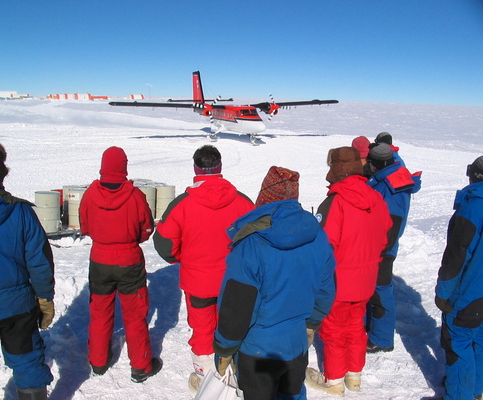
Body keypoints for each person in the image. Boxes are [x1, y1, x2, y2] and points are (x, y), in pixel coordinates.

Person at [213, 166, 336, 400]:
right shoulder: (318, 236)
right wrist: (311, 323)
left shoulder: (251, 246)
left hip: (258, 351)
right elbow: (326, 289)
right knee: (293, 395)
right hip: (296, 344)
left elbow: (238, 307)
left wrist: (225, 348)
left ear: (263, 198)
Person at [153, 145, 254, 392]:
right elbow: (255, 241)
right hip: (235, 281)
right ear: (219, 167)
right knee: (233, 324)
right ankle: (232, 369)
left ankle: (204, 373)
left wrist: (182, 257)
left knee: (202, 326)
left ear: (196, 168)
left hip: (198, 281)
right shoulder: (242, 202)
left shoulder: (182, 204)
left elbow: (164, 243)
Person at [0, 139, 55, 400]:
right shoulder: (21, 212)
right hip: (18, 309)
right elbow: (39, 262)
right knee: (27, 364)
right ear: (0, 173)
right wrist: (45, 299)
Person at [306, 146, 392, 395]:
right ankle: (354, 376)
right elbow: (385, 235)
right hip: (366, 279)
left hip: (338, 281)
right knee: (355, 326)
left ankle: (333, 380)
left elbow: (324, 246)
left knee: (333, 330)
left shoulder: (335, 201)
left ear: (335, 169)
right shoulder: (375, 197)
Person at [79, 146, 161, 383]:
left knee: (100, 312)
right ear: (123, 167)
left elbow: (84, 227)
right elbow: (146, 228)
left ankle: (98, 361)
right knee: (135, 315)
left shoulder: (90, 194)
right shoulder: (135, 196)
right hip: (129, 260)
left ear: (103, 166)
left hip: (100, 260)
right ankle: (141, 366)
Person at [433, 155, 483, 400]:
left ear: (475, 175)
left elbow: (455, 258)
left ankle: (459, 395)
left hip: (470, 294)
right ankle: (474, 391)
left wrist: (443, 294)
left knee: (458, 344)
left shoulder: (473, 208)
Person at [364, 143, 421, 353]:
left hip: (381, 250)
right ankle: (371, 327)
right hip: (379, 246)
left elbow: (392, 221)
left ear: (376, 163)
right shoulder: (391, 176)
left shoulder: (391, 185)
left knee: (380, 291)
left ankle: (381, 338)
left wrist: (378, 251)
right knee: (372, 290)